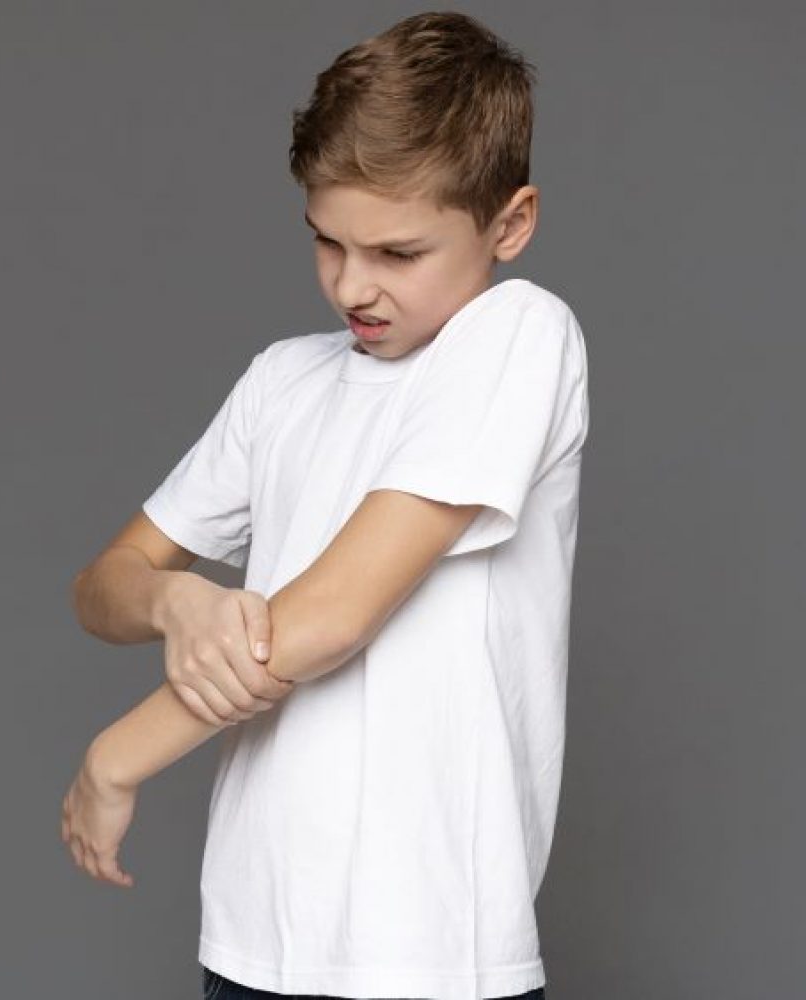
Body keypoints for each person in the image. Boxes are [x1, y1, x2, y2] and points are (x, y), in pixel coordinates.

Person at [60, 11, 588, 1000]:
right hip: (254, 940)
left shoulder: (517, 336)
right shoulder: (283, 381)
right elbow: (102, 586)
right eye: (327, 242)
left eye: (398, 253)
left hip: (429, 953)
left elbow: (333, 615)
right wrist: (178, 601)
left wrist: (116, 755)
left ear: (510, 224)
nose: (353, 286)